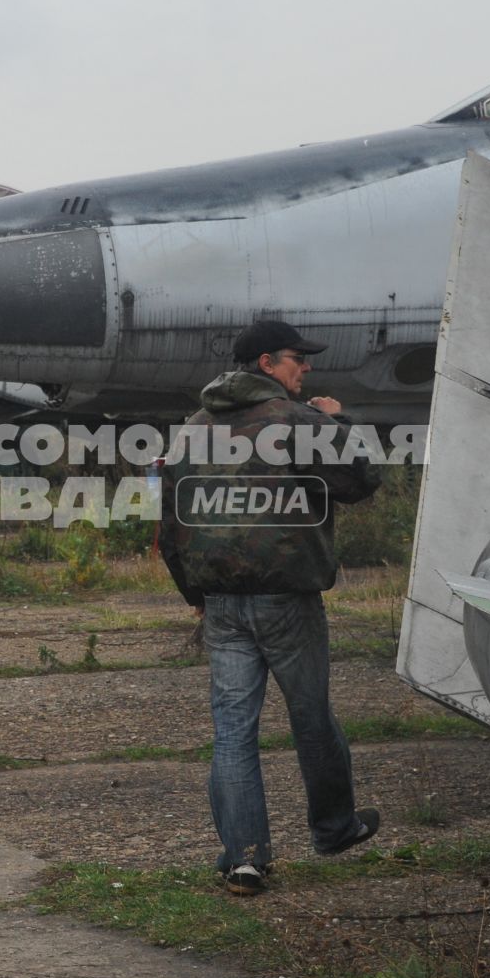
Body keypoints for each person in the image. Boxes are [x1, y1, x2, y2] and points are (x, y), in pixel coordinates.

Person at [158, 318, 382, 895]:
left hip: (222, 604)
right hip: (287, 599)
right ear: (265, 364)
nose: (304, 367)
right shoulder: (298, 422)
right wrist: (339, 423)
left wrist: (198, 600)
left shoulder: (193, 428)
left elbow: (172, 525)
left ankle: (244, 860)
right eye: (294, 359)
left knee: (233, 731)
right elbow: (360, 482)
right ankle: (334, 828)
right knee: (310, 718)